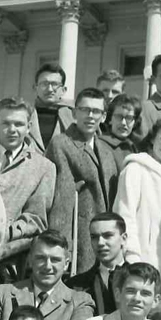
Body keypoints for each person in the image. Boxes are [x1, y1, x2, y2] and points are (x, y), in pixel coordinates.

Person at [47, 88, 120, 275]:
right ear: (74, 113)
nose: (90, 116)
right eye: (84, 110)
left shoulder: (106, 150)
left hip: (104, 237)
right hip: (79, 235)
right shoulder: (61, 144)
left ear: (103, 117)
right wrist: (62, 248)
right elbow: (61, 202)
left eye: (96, 111)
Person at [112, 118, 161, 289]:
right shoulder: (135, 169)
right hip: (143, 254)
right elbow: (125, 214)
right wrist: (132, 256)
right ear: (153, 138)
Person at [0, 97, 56, 243]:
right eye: (6, 123)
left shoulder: (43, 167)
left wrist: (4, 234)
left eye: (19, 124)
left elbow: (36, 218)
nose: (12, 130)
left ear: (29, 127)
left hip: (8, 253)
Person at [66, 212, 129, 316]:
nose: (100, 243)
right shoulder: (75, 285)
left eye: (108, 235)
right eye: (94, 237)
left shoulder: (143, 280)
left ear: (123, 238)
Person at [30, 63, 75, 151]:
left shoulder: (73, 116)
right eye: (44, 84)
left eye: (54, 84)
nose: (50, 89)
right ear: (35, 88)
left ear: (63, 90)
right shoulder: (24, 114)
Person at [100, 93, 141, 170]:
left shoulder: (132, 147)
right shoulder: (101, 145)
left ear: (135, 122)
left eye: (129, 118)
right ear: (110, 119)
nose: (123, 123)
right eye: (119, 117)